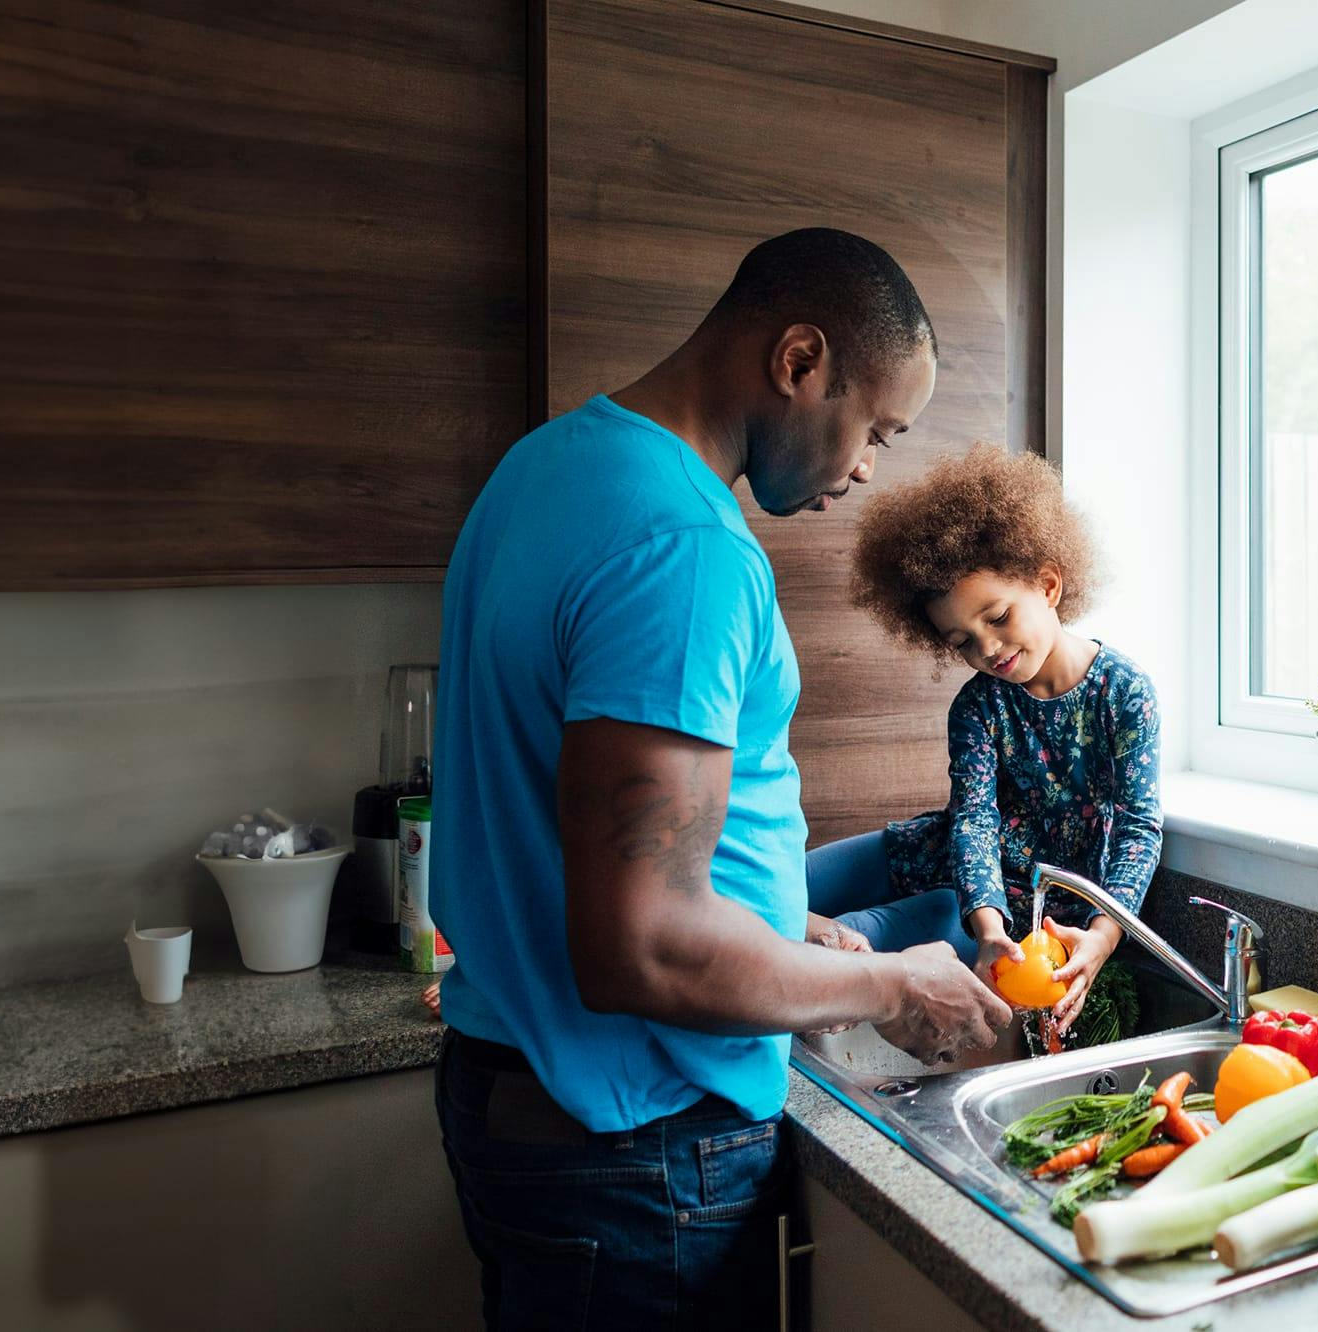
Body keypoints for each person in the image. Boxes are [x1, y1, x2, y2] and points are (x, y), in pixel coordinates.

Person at [428, 229, 1013, 1331]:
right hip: (636, 1151)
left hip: (522, 1099)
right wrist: (897, 984)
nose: (867, 470)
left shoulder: (546, 466)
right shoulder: (684, 550)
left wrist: (784, 927)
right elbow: (643, 946)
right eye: (876, 429)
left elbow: (589, 840)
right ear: (799, 361)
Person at [810, 445, 1163, 1041]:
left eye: (997, 617)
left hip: (1001, 917)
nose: (987, 649)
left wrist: (1100, 934)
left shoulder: (1125, 694)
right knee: (766, 883)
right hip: (944, 868)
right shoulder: (978, 705)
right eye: (962, 641)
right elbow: (971, 821)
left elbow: (1138, 828)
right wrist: (985, 914)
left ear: (1048, 584)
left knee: (847, 935)